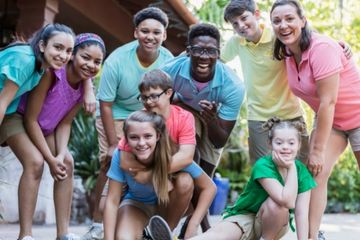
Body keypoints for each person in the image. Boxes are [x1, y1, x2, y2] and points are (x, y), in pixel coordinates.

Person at [270, 0, 360, 239]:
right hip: (334, 124)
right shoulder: (288, 52)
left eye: (289, 18)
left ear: (303, 20)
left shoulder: (322, 48)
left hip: (358, 116)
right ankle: (311, 237)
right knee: (315, 175)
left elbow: (328, 102)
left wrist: (317, 149)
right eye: (276, 21)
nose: (283, 25)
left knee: (317, 160)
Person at [84, 7, 174, 239]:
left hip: (150, 115)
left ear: (164, 35)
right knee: (110, 162)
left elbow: (170, 98)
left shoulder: (168, 61)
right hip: (116, 113)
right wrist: (114, 143)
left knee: (149, 161)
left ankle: (142, 217)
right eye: (145, 31)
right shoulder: (117, 60)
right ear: (135, 33)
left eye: (156, 32)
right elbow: (105, 104)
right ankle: (97, 221)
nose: (150, 37)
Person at [6, 32, 104, 240]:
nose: (90, 65)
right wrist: (50, 159)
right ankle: (26, 235)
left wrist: (59, 155)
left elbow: (65, 123)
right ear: (72, 55)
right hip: (19, 118)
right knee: (35, 162)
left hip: (46, 128)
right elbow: (31, 119)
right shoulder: (52, 74)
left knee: (67, 162)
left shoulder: (83, 88)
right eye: (85, 57)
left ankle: (63, 233)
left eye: (97, 61)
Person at [161, 22, 244, 233]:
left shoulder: (232, 85)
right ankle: (204, 229)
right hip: (183, 110)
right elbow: (154, 106)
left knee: (204, 177)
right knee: (192, 155)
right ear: (188, 51)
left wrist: (212, 119)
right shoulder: (169, 71)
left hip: (214, 120)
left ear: (218, 53)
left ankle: (192, 225)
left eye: (211, 51)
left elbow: (220, 140)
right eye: (198, 50)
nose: (204, 56)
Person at [0, 23, 75, 240]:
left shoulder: (42, 68)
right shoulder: (25, 60)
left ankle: (27, 236)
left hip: (12, 114)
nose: (63, 55)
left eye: (68, 51)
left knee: (36, 161)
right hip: (7, 111)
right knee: (35, 161)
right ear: (42, 45)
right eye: (58, 47)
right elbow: (3, 102)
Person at [187, 117, 317, 240]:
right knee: (216, 236)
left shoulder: (302, 172)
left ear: (299, 145)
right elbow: (286, 199)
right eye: (279, 142)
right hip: (244, 216)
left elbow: (300, 211)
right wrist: (292, 165)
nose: (285, 147)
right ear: (270, 144)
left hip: (273, 222)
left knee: (276, 205)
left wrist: (292, 167)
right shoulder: (263, 165)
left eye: (291, 143)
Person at [103, 110, 216, 240]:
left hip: (168, 205)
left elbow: (210, 188)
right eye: (134, 137)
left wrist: (193, 225)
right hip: (137, 204)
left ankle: (165, 233)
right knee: (123, 238)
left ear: (157, 136)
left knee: (185, 180)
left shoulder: (173, 155)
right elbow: (112, 200)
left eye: (147, 136)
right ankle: (145, 234)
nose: (141, 143)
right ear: (126, 139)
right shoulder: (121, 156)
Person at [221, 0, 308, 163]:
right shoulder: (236, 42)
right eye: (235, 23)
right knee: (263, 172)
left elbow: (309, 42)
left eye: (244, 18)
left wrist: (338, 45)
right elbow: (215, 60)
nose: (241, 25)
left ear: (256, 14)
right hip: (258, 117)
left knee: (302, 170)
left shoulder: (278, 37)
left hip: (291, 113)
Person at [118, 69, 199, 233]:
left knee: (185, 181)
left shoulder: (183, 118)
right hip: (137, 188)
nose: (148, 102)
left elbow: (186, 157)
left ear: (169, 93)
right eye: (144, 97)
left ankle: (165, 231)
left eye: (154, 96)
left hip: (166, 181)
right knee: (108, 203)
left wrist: (153, 173)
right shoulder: (138, 120)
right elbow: (125, 161)